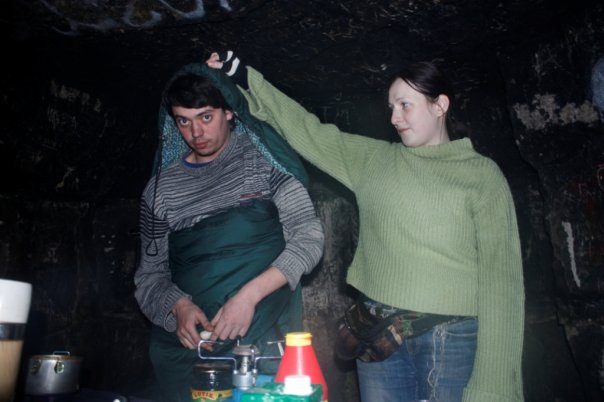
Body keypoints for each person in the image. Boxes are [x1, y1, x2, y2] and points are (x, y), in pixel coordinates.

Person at [206, 51, 525, 402]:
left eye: (405, 105)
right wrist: (244, 78)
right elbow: (308, 131)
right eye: (391, 107)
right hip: (376, 334)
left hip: (449, 339)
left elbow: (503, 283)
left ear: (440, 105)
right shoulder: (373, 160)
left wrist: (494, 384)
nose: (395, 118)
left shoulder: (481, 176)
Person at [133, 62, 324, 402]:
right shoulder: (160, 191)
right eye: (183, 121)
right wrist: (177, 306)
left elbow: (308, 239)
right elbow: (150, 275)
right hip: (190, 356)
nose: (196, 132)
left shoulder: (265, 164)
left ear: (229, 112)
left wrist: (248, 297)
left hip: (259, 339)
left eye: (205, 117)